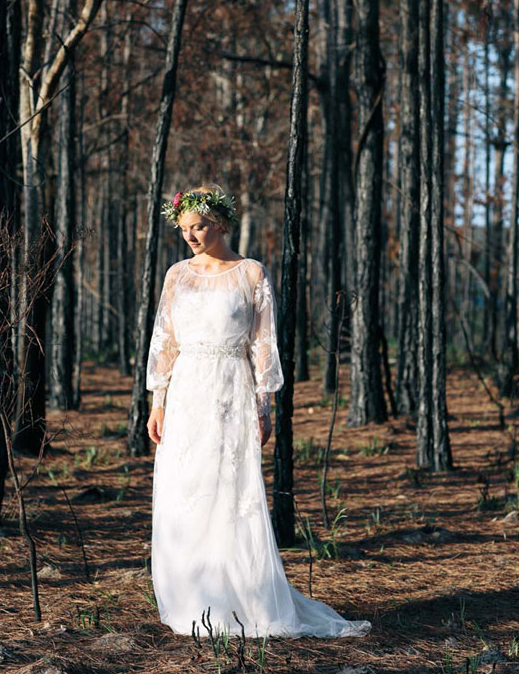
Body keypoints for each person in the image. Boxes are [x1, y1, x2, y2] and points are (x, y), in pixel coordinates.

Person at [146, 183, 371, 638]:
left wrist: (263, 404)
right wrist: (157, 400)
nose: (191, 236)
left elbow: (262, 343)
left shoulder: (250, 273)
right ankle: (192, 596)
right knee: (186, 488)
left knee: (228, 491)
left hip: (231, 390)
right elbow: (163, 339)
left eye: (201, 226)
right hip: (186, 390)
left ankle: (241, 596)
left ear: (222, 224)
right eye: (185, 228)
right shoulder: (177, 275)